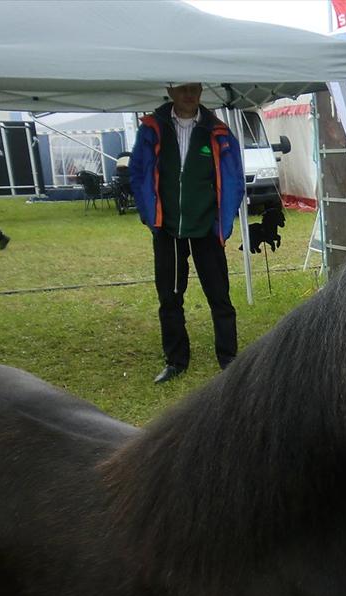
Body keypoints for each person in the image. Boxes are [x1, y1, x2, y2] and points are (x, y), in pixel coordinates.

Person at [129, 82, 245, 383]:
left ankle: (229, 361)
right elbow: (138, 171)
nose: (189, 95)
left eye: (194, 89)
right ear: (170, 91)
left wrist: (224, 221)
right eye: (182, 89)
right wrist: (148, 215)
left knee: (219, 296)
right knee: (170, 298)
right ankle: (176, 361)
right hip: (168, 228)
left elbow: (234, 178)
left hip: (206, 227)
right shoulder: (153, 128)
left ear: (201, 92)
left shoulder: (216, 131)